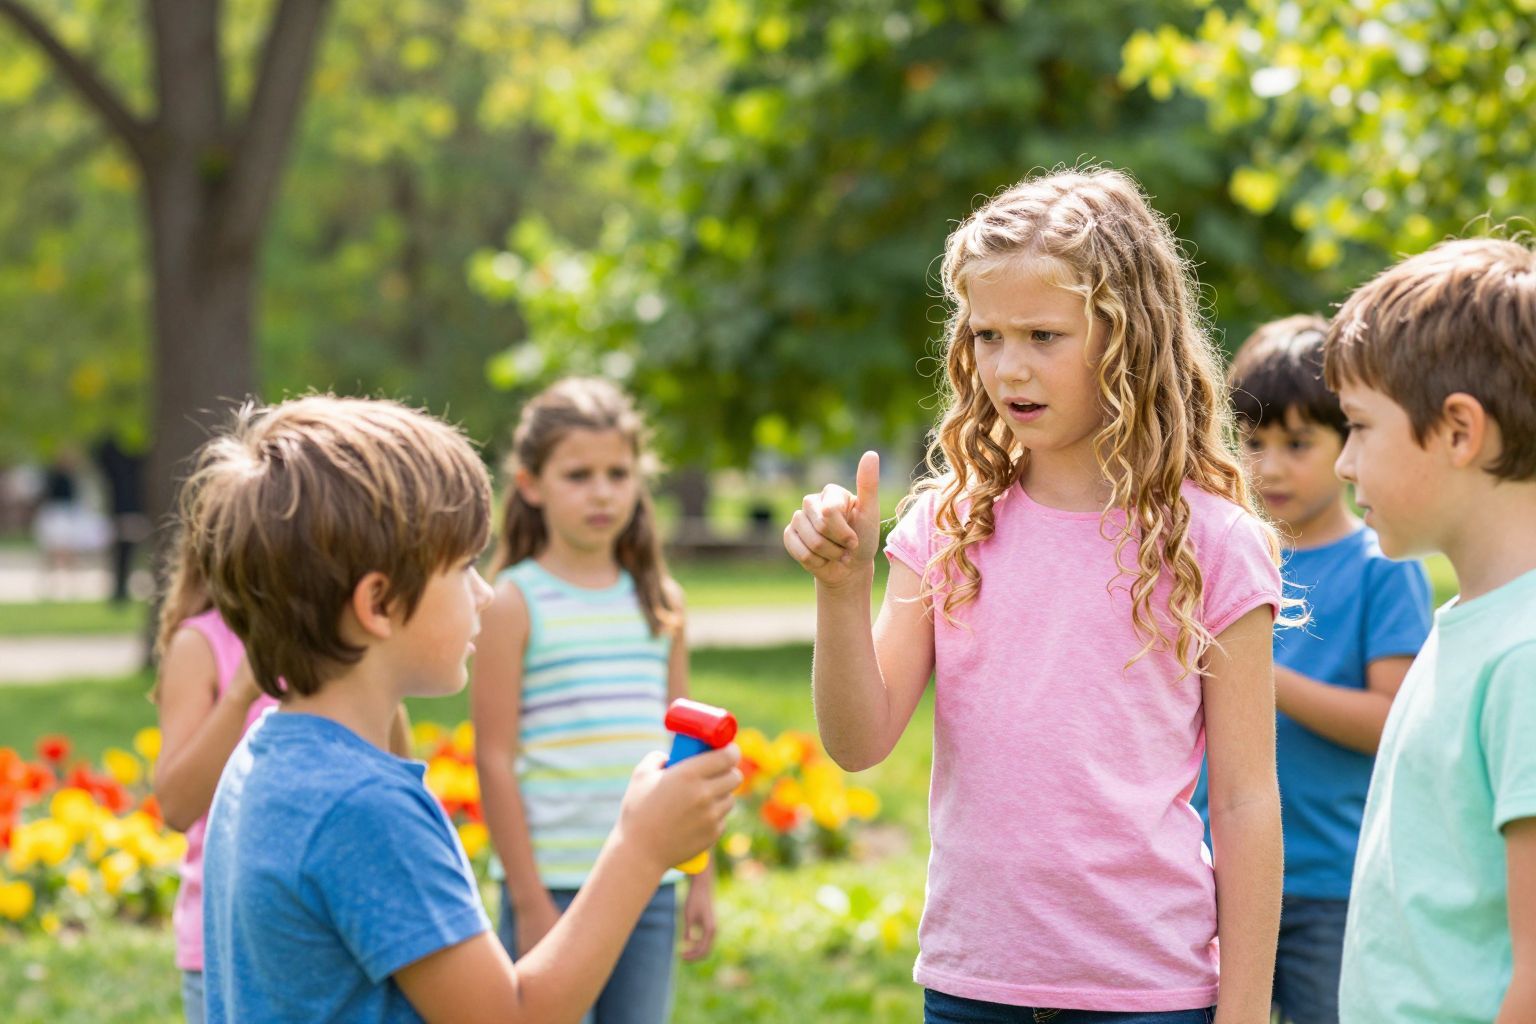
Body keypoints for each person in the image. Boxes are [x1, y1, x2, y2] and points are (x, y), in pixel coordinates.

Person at [785, 167, 1287, 1022]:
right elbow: (859, 741)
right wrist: (840, 591)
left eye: (1043, 336)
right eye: (987, 335)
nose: (1007, 367)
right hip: (973, 983)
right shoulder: (946, 526)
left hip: (1150, 992)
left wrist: (1241, 1015)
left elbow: (1244, 803)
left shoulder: (1213, 542)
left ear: (1127, 338)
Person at [186, 395, 739, 1024]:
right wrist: (641, 848)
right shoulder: (364, 811)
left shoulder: (264, 757)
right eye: (463, 566)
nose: (482, 592)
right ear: (380, 604)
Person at [1325, 238, 1536, 1023]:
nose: (1345, 464)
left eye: (1358, 427)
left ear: (1457, 431)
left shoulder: (1523, 656)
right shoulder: (1465, 623)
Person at [1200, 316, 1432, 1024]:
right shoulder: (1220, 552)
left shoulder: (1382, 568)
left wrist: (1257, 675)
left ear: (1348, 443)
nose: (1269, 467)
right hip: (1210, 869)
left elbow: (1390, 719)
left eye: (1298, 445)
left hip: (1328, 883)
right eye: (1255, 442)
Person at [471, 378, 711, 1024]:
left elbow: (687, 755)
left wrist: (699, 874)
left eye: (617, 473)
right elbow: (492, 759)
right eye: (578, 475)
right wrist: (526, 900)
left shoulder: (660, 601)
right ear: (530, 483)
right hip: (551, 883)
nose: (602, 492)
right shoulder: (513, 602)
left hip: (650, 884)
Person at [151, 524, 413, 1023]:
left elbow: (396, 769)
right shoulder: (202, 643)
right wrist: (242, 694)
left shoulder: (346, 638)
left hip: (340, 925)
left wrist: (384, 681)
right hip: (235, 935)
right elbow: (176, 806)